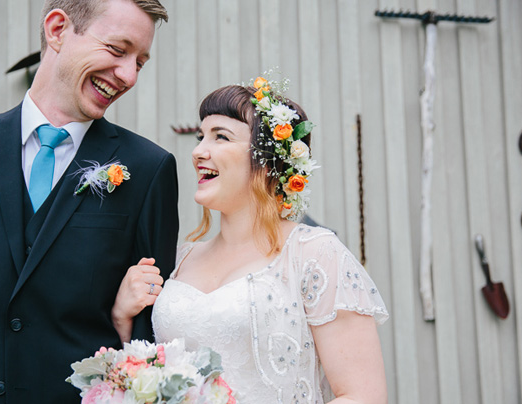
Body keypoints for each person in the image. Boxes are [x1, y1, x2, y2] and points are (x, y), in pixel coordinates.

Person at [0, 0, 178, 403]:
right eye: (117, 49)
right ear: (57, 30)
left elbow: (150, 330)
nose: (128, 76)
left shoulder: (148, 169)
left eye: (140, 63)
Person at [113, 77, 389, 403]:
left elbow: (362, 395)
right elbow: (146, 379)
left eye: (220, 137)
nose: (198, 151)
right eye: (201, 137)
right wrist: (121, 318)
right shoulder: (180, 259)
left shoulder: (314, 253)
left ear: (267, 160)